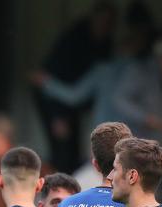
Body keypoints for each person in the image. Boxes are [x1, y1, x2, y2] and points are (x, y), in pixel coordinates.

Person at [32, 1, 117, 172]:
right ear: (93, 18)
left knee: (74, 151)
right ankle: (58, 185)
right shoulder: (74, 39)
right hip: (54, 99)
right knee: (62, 148)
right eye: (102, 21)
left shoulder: (105, 43)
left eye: (108, 23)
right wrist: (57, 115)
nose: (104, 26)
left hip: (73, 102)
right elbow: (53, 76)